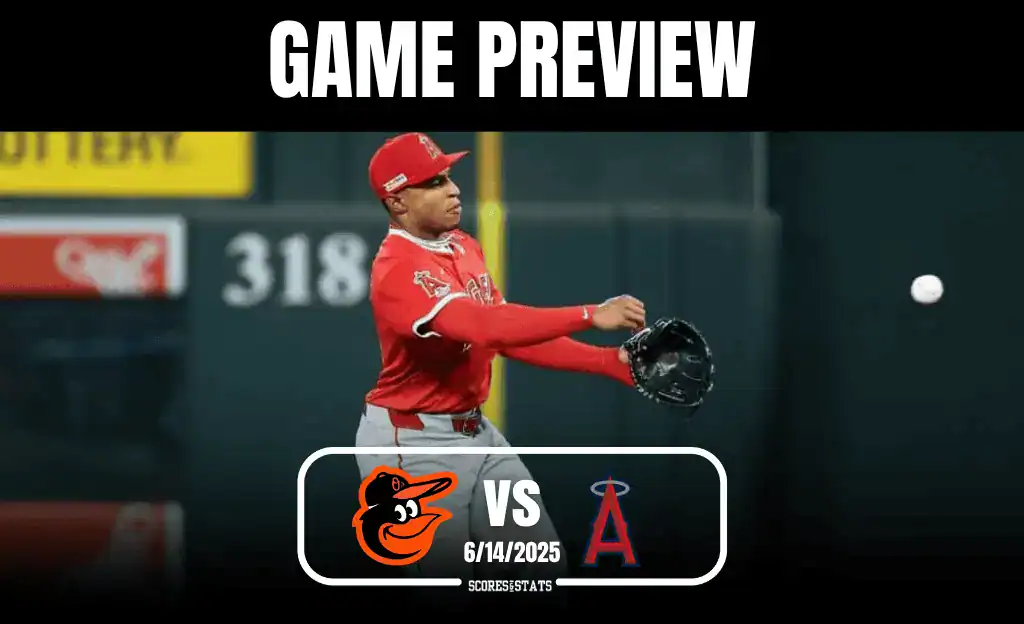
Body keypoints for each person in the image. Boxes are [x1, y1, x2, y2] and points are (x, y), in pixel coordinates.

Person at [353, 132, 645, 598]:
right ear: (397, 201)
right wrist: (590, 315)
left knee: (538, 573)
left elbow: (508, 339)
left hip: (476, 435)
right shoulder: (397, 269)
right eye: (433, 182)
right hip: (413, 445)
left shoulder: (462, 246)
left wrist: (609, 362)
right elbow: (486, 327)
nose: (452, 189)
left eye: (448, 176)